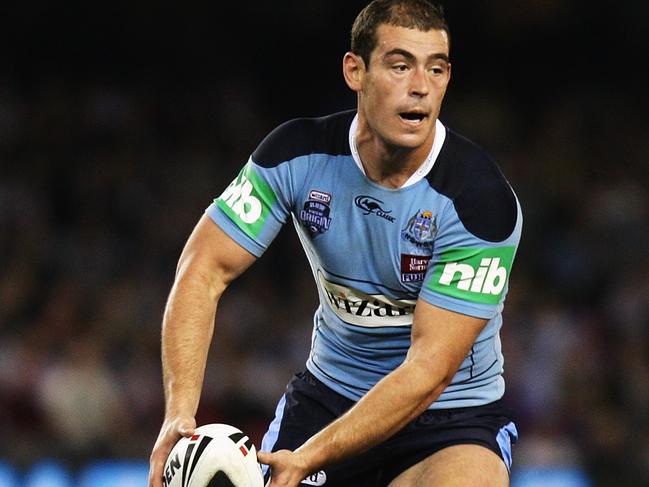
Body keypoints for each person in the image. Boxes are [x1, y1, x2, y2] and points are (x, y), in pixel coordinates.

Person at [148, 0, 522, 485]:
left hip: (449, 419)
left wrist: (310, 458)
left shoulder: (480, 202)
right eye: (400, 65)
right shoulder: (296, 156)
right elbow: (202, 271)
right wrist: (178, 413)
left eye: (436, 69)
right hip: (327, 397)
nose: (420, 87)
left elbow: (429, 372)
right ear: (355, 71)